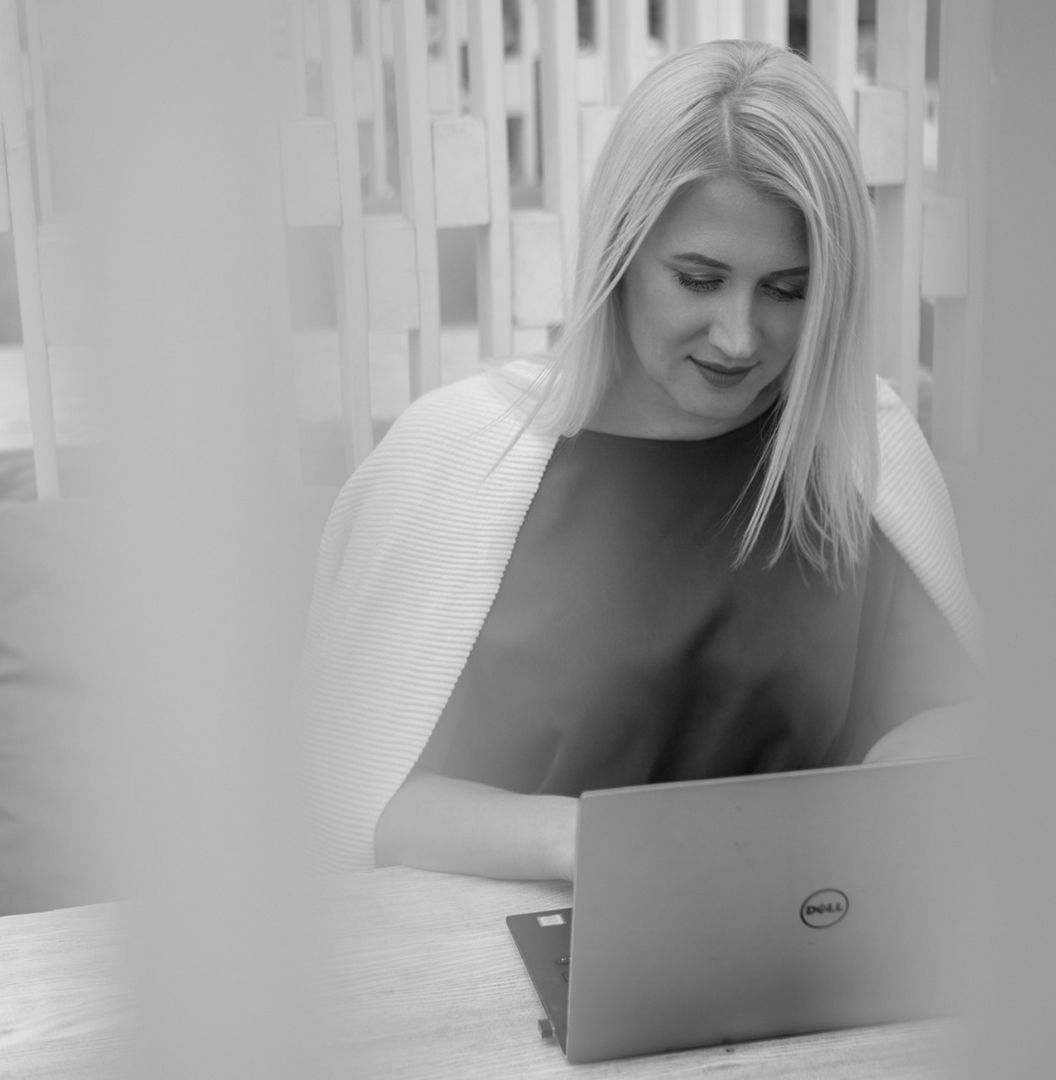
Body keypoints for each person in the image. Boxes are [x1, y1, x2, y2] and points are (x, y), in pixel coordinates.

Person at [297, 40, 981, 882]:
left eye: (786, 290)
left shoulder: (860, 451)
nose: (739, 337)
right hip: (501, 940)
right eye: (699, 279)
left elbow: (946, 722)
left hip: (803, 931)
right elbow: (351, 795)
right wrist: (586, 843)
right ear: (619, 255)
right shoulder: (459, 459)